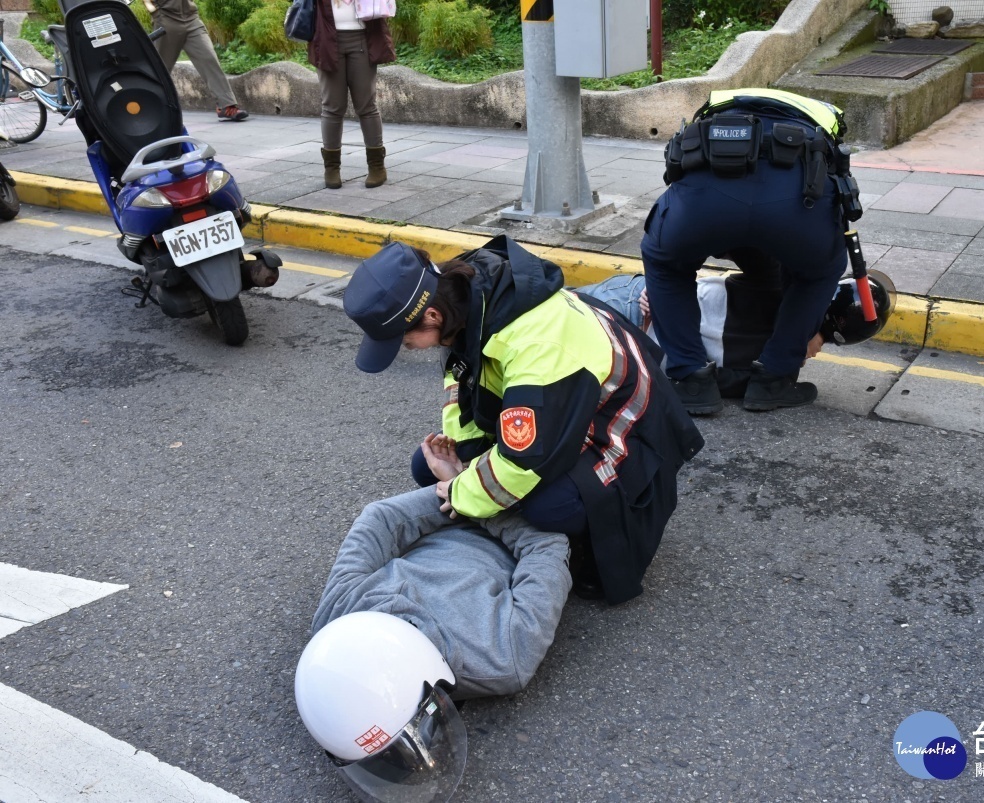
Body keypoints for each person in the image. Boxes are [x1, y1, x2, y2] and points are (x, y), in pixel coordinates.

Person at [341, 235, 705, 605]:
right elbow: (460, 381)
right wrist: (461, 457)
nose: (406, 350)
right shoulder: (462, 292)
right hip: (564, 410)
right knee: (429, 466)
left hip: (621, 430)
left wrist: (461, 490)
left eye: (402, 342)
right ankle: (504, 516)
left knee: (549, 506)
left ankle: (590, 540)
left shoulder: (535, 346)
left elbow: (523, 460)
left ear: (431, 316)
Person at [295, 480, 570, 801]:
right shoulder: (503, 656)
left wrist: (461, 492)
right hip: (503, 524)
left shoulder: (339, 612)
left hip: (459, 508)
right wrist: (471, 499)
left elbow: (381, 519)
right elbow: (546, 545)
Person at [641, 88, 864, 414]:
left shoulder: (716, 105)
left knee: (666, 264)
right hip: (797, 205)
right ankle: (774, 380)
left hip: (705, 204)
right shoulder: (824, 116)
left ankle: (689, 379)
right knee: (818, 273)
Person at [577, 265, 894, 401]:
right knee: (537, 305)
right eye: (823, 342)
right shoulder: (777, 338)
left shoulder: (781, 348)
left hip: (634, 328)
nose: (817, 353)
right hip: (637, 308)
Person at [309, 0, 395, 190]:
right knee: (332, 107)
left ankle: (377, 167)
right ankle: (331, 168)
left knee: (367, 105)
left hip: (363, 38)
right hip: (327, 40)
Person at [142, 0, 248, 122]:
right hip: (166, 19)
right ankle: (144, 106)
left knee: (209, 59)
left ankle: (226, 105)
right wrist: (154, 11)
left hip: (191, 18)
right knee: (160, 69)